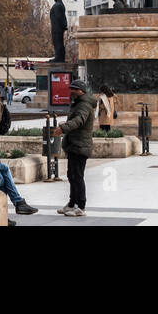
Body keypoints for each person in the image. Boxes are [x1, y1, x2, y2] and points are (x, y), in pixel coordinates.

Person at [53, 79, 96, 217]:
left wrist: (63, 128)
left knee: (77, 176)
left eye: (73, 89)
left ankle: (81, 206)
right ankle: (72, 204)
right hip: (74, 144)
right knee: (72, 175)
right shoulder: (79, 103)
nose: (71, 91)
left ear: (80, 91)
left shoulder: (84, 105)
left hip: (80, 145)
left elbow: (79, 120)